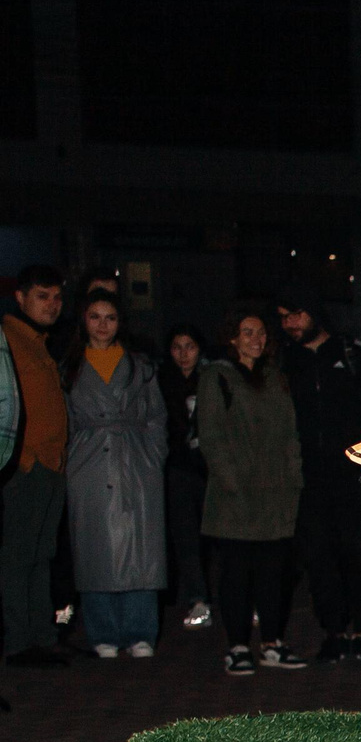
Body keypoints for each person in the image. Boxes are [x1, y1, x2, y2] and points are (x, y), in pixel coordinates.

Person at [278, 291, 361, 664]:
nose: (290, 324)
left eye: (295, 314)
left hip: (355, 478)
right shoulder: (285, 361)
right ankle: (333, 632)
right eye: (283, 318)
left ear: (314, 312)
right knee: (319, 559)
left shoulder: (355, 354)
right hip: (309, 480)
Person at [198, 310, 306, 675]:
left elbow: (290, 432)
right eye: (247, 332)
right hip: (237, 494)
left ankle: (273, 642)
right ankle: (238, 645)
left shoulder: (275, 377)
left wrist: (294, 479)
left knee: (274, 573)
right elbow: (211, 436)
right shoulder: (217, 376)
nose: (255, 339)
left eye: (260, 333)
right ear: (232, 337)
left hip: (275, 492)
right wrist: (231, 485)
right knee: (237, 573)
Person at [62, 292, 169, 657]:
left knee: (142, 548)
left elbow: (156, 416)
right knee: (95, 549)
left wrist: (153, 457)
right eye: (95, 317)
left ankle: (141, 631)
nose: (103, 325)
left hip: (135, 461)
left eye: (110, 317)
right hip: (88, 463)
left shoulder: (139, 366)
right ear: (83, 320)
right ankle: (102, 631)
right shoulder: (70, 366)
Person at [1, 265, 70, 666]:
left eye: (57, 297)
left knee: (41, 553)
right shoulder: (8, 339)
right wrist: (21, 457)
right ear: (21, 298)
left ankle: (40, 636)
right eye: (43, 296)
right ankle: (20, 641)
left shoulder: (37, 342)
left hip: (50, 464)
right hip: (26, 466)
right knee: (18, 555)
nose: (52, 304)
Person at [160, 324, 214, 629]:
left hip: (209, 466)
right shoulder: (162, 380)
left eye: (189, 346)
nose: (183, 354)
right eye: (177, 347)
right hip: (178, 466)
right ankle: (197, 597)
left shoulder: (210, 378)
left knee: (217, 534)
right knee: (185, 534)